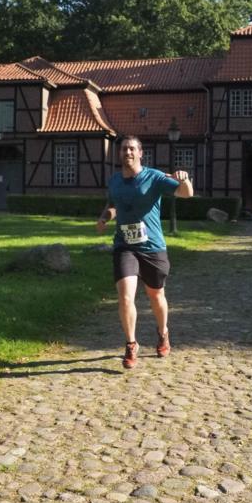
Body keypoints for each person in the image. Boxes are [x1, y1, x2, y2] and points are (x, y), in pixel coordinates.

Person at [96, 135, 193, 369]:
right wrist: (104, 217)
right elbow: (113, 206)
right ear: (119, 154)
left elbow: (186, 193)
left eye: (132, 149)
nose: (127, 153)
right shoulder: (115, 181)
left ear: (140, 153)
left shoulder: (154, 177)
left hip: (152, 248)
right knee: (125, 296)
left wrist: (185, 179)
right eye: (124, 149)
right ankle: (131, 344)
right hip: (124, 246)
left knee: (155, 295)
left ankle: (163, 333)